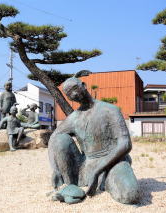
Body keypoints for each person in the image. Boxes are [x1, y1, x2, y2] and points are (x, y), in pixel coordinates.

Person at [48, 70, 141, 205]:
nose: (73, 94)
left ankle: (107, 181)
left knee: (131, 196)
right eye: (69, 94)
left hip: (112, 163)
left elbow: (125, 144)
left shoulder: (110, 110)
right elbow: (53, 138)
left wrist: (97, 171)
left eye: (75, 88)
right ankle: (70, 184)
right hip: (86, 166)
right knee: (60, 139)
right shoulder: (74, 118)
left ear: (84, 86)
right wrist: (55, 169)